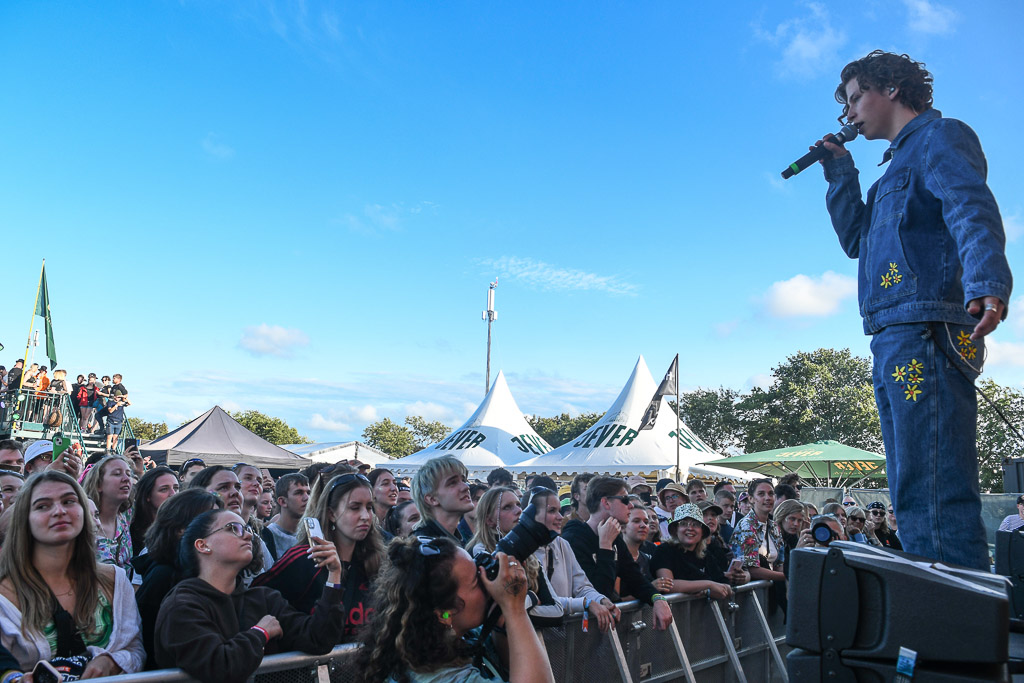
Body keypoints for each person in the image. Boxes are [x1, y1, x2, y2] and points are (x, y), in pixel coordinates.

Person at [817, 50, 1011, 570]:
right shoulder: (889, 174)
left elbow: (971, 206)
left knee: (934, 493)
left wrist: (988, 280)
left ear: (892, 88)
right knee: (910, 491)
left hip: (926, 324)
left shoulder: (940, 138)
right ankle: (943, 627)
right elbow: (858, 241)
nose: (851, 112)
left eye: (857, 97)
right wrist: (840, 173)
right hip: (891, 329)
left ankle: (958, 637)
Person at [153, 508, 345, 683]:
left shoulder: (263, 598)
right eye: (233, 528)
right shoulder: (182, 604)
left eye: (248, 529)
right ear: (203, 545)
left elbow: (319, 640)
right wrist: (260, 633)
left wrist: (334, 575)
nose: (247, 535)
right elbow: (219, 667)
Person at [0, 471, 145, 677]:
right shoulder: (4, 594)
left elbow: (135, 651)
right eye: (43, 506)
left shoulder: (114, 579)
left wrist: (112, 661)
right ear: (25, 520)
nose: (59, 511)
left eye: (69, 501)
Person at [355, 535, 555, 683]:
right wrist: (515, 609)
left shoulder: (455, 639)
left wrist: (502, 616)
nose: (486, 581)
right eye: (476, 581)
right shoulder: (438, 678)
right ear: (445, 614)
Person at [254, 471, 384, 641]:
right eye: (354, 507)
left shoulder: (377, 559)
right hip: (306, 665)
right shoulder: (305, 557)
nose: (365, 516)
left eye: (369, 507)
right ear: (331, 513)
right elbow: (257, 599)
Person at [561, 476, 673, 630]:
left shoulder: (615, 538)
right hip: (576, 633)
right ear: (606, 502)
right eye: (625, 500)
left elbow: (635, 578)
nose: (631, 505)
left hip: (603, 632)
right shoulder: (574, 539)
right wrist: (605, 547)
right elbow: (599, 593)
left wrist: (657, 599)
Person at [134, 489, 224, 669]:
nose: (222, 529)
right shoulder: (163, 576)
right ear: (181, 530)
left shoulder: (210, 572)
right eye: (209, 520)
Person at [466, 487, 564, 626]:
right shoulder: (480, 552)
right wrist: (532, 598)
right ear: (489, 520)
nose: (519, 510)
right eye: (507, 507)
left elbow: (557, 611)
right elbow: (497, 612)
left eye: (519, 504)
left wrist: (515, 609)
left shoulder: (530, 557)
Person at [525, 487, 617, 632]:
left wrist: (601, 599)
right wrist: (585, 603)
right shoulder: (522, 549)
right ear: (531, 515)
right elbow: (543, 600)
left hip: (563, 639)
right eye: (551, 511)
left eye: (559, 511)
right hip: (534, 638)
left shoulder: (562, 544)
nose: (560, 517)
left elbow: (581, 586)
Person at [651, 504, 736, 601]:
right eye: (683, 523)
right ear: (676, 530)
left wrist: (707, 591)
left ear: (702, 531)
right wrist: (708, 585)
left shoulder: (706, 555)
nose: (690, 528)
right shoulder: (664, 550)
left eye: (695, 524)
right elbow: (667, 585)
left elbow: (726, 587)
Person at [83, 455, 135, 574]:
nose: (126, 479)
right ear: (98, 484)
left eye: (129, 474)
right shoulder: (82, 521)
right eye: (117, 474)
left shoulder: (126, 515)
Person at [730, 479, 785, 584]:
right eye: (761, 494)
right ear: (751, 499)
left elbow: (779, 564)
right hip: (751, 593)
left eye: (771, 494)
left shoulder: (774, 526)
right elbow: (752, 569)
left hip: (772, 589)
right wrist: (787, 576)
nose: (767, 498)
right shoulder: (747, 525)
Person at [411, 456, 474, 543]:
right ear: (432, 499)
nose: (466, 487)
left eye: (463, 480)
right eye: (453, 482)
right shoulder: (423, 546)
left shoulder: (457, 539)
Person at [129, 467, 180, 556]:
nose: (173, 494)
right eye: (164, 489)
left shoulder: (183, 527)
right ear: (148, 495)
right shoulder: (132, 530)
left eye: (176, 488)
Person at [260, 473, 310, 562]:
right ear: (282, 501)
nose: (307, 498)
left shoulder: (312, 534)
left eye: (308, 492)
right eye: (299, 493)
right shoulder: (267, 537)